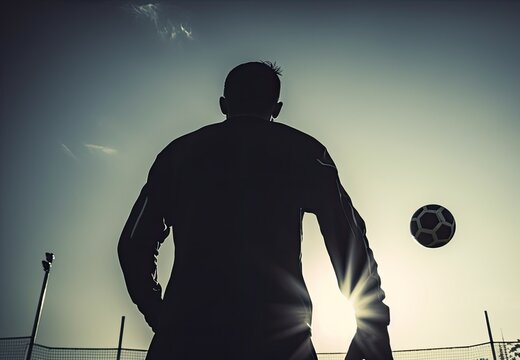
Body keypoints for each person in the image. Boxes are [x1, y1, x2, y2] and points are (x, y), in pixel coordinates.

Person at [118, 61, 393, 360]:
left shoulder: (177, 154)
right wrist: (372, 318)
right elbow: (347, 236)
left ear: (224, 104)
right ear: (277, 108)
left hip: (185, 335)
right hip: (279, 339)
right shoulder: (304, 151)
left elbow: (134, 245)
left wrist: (159, 313)